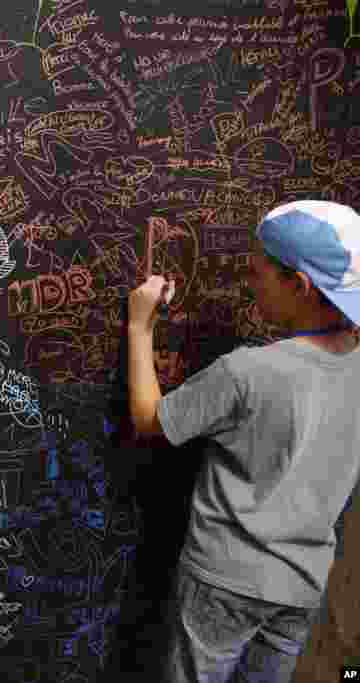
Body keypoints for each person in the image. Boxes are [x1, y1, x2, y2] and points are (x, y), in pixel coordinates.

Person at [127, 200, 360, 682]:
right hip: (301, 584)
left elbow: (152, 421)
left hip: (225, 580)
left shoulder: (249, 372)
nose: (247, 285)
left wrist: (138, 326)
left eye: (256, 274)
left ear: (300, 286)